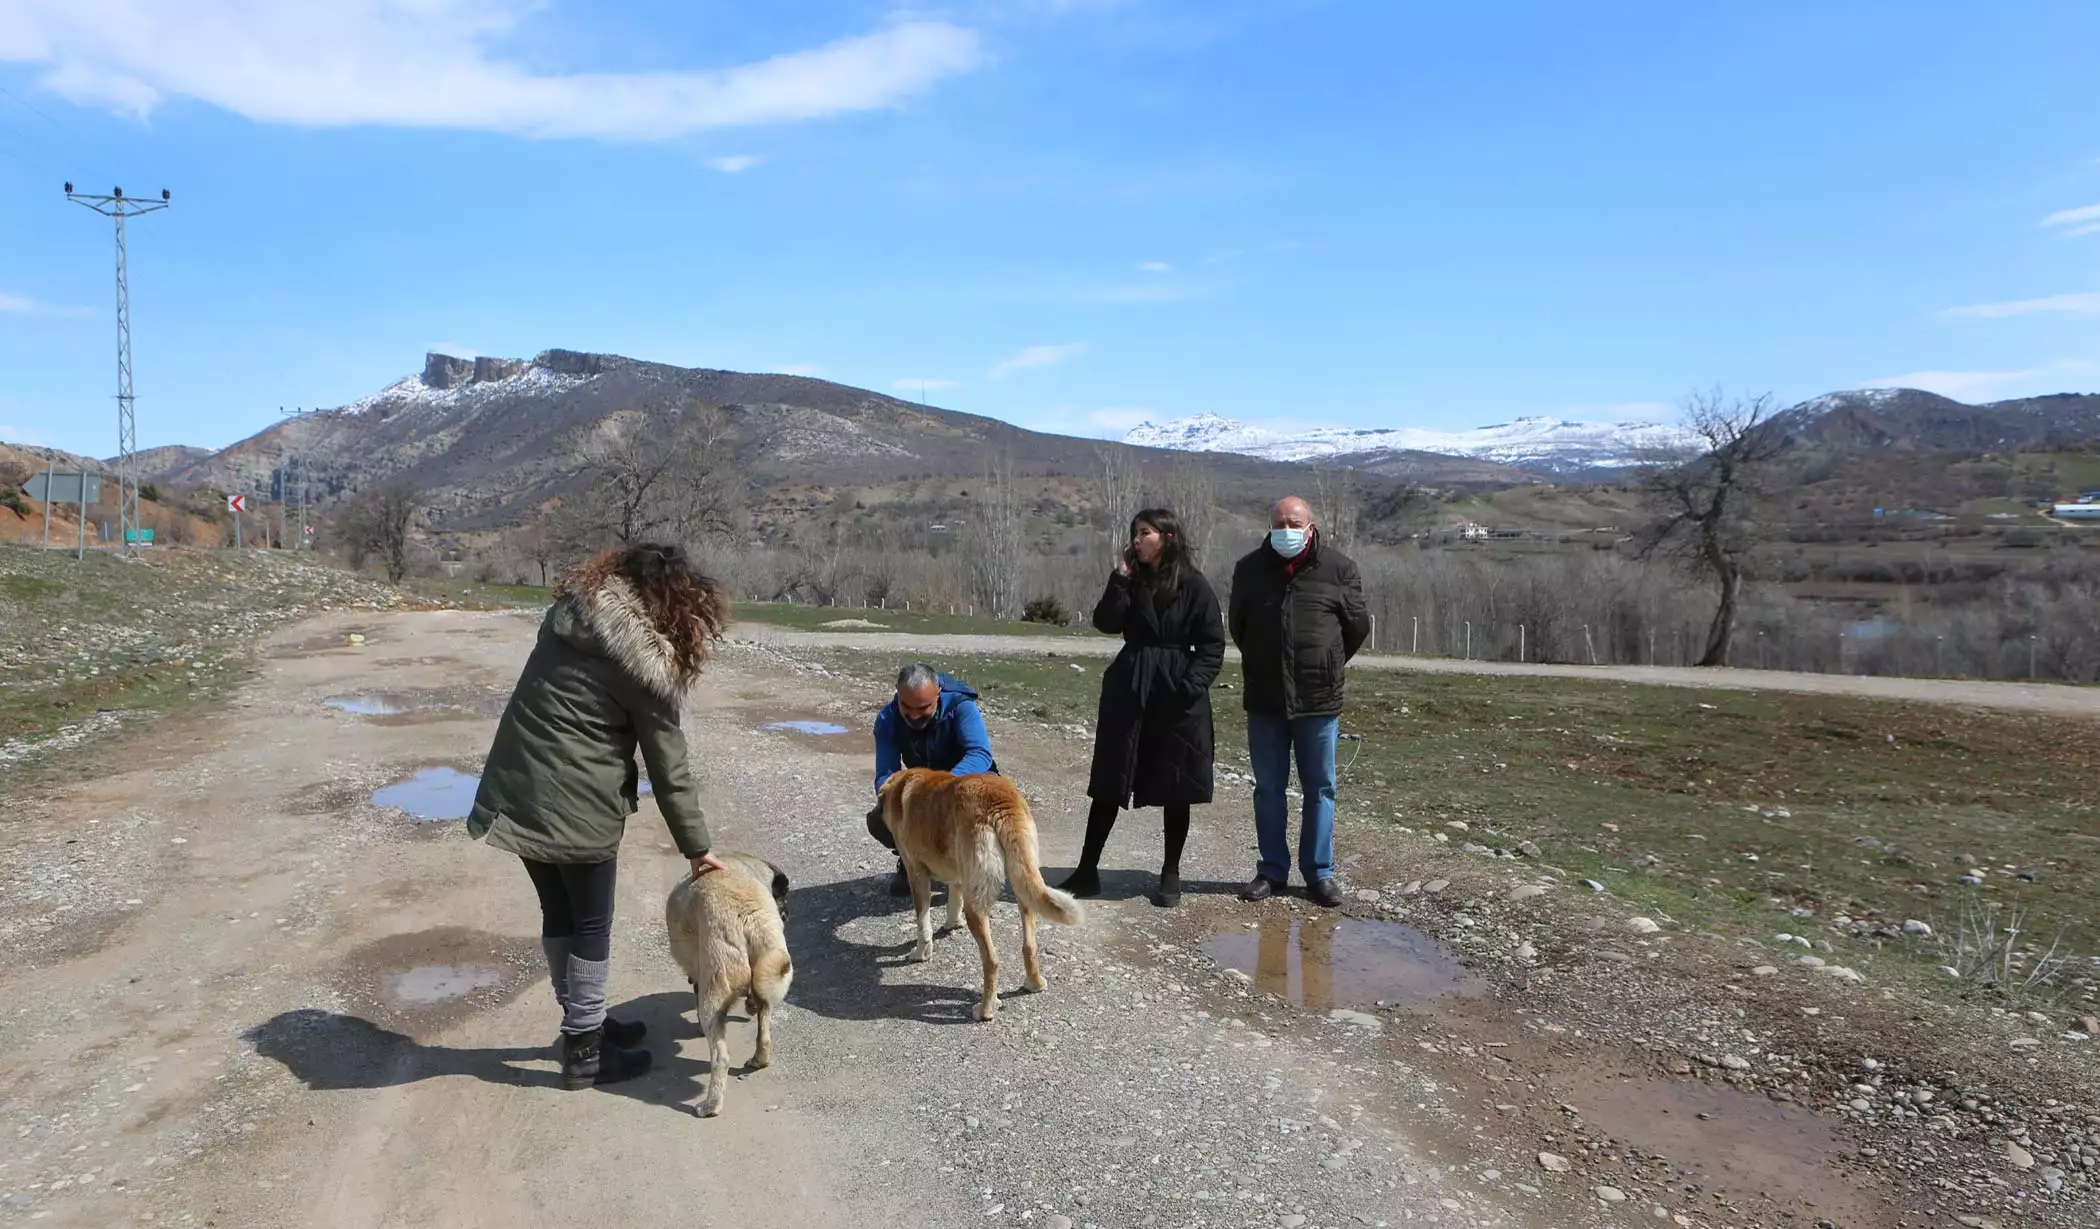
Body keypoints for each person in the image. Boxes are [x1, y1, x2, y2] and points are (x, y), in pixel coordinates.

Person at [467, 542, 730, 1089]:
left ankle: (582, 1023)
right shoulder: (644, 664)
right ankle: (585, 1050)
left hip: (517, 784)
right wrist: (697, 848)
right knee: (589, 923)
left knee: (559, 912)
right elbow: (668, 766)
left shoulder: (569, 617)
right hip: (575, 800)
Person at [1061, 508, 1225, 908]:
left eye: (1145, 532)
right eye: (1134, 532)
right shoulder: (1130, 580)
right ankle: (1087, 869)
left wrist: (1189, 686)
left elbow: (1212, 645)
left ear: (1167, 537)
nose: (1136, 539)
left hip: (1175, 691)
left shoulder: (1194, 585)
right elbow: (1105, 622)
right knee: (1110, 777)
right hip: (1129, 686)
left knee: (1177, 781)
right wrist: (1120, 577)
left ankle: (1171, 873)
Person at [1228, 496, 1370, 907]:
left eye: (1293, 523)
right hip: (1265, 699)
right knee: (1268, 789)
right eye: (1278, 523)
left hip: (1318, 700)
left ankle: (1318, 874)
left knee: (1320, 788)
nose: (1285, 530)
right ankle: (1271, 870)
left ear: (1310, 527)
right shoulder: (1249, 569)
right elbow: (1239, 626)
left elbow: (1355, 628)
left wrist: (1325, 662)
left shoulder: (1339, 569)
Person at [867, 663, 997, 895]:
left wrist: (940, 789)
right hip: (922, 795)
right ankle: (913, 862)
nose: (914, 715)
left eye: (924, 707)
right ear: (897, 693)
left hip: (964, 783)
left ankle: (973, 864)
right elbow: (885, 776)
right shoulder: (887, 719)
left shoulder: (961, 707)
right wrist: (903, 802)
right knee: (880, 819)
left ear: (938, 693)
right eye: (907, 707)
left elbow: (980, 754)